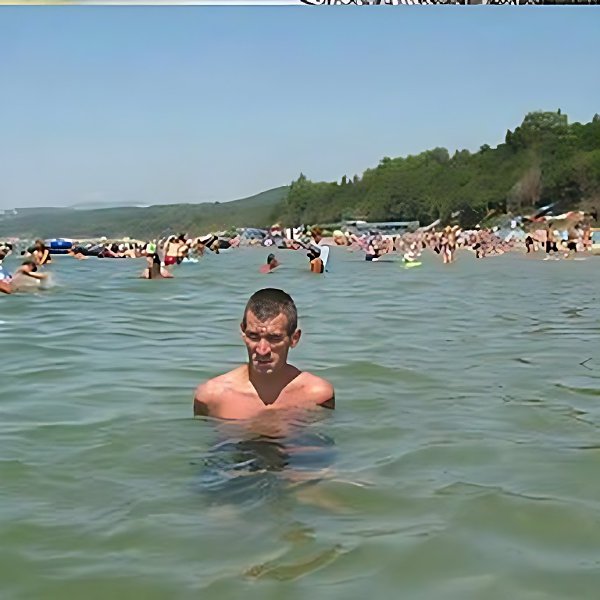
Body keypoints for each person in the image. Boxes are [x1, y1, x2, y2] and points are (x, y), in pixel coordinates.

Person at [194, 288, 335, 419]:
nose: (262, 350)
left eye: (274, 338)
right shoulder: (211, 396)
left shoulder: (318, 395)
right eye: (253, 336)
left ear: (294, 338)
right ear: (243, 333)